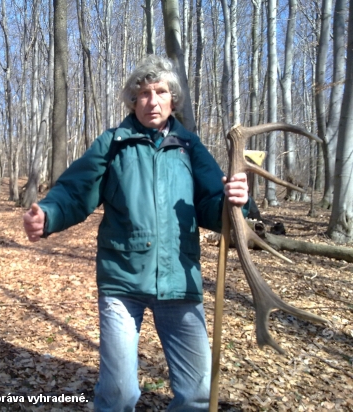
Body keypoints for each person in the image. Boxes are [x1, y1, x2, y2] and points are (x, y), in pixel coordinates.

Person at [23, 55, 249, 411]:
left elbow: (213, 206)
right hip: (122, 282)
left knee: (197, 395)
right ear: (133, 100)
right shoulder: (114, 144)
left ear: (172, 99)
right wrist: (48, 215)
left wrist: (236, 202)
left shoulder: (189, 147)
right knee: (119, 394)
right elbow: (76, 191)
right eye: (143, 92)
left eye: (160, 91)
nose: (152, 100)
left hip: (179, 281)